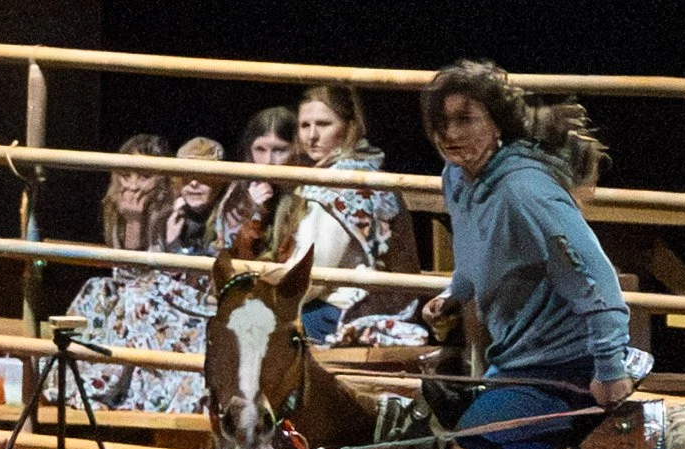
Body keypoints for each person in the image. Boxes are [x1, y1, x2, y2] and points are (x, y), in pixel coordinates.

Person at [418, 61, 645, 449]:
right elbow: (479, 254)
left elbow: (596, 281)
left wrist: (608, 370)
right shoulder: (461, 180)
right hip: (516, 366)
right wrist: (454, 293)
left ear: (498, 121)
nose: (449, 134)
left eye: (465, 119)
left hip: (562, 371)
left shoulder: (523, 188)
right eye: (440, 122)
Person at [48, 135, 218, 413]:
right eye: (126, 174)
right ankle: (79, 384)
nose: (133, 184)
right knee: (97, 290)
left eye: (144, 175)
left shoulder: (176, 210)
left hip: (178, 306)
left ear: (162, 178)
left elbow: (159, 275)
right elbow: (125, 272)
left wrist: (138, 221)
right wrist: (132, 219)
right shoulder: (119, 208)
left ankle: (133, 396)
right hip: (141, 295)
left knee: (136, 299)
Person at [278, 85, 423, 343]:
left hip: (344, 311)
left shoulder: (340, 182)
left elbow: (314, 273)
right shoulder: (365, 170)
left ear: (348, 127)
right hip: (369, 304)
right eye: (304, 125)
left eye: (323, 124)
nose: (312, 136)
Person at [212, 107, 297, 257]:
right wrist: (253, 210)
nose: (268, 161)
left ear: (297, 149)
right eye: (260, 149)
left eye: (279, 150)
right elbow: (226, 254)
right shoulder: (237, 191)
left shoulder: (304, 193)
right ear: (249, 150)